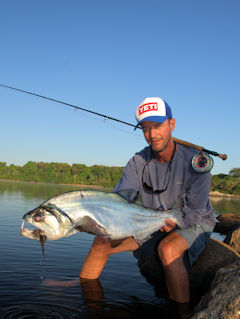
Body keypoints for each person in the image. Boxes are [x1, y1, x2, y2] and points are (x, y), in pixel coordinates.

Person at [80, 97, 216, 318]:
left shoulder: (197, 163)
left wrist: (171, 223)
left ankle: (181, 312)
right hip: (152, 222)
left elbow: (196, 213)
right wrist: (98, 218)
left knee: (168, 249)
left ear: (171, 124)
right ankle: (86, 299)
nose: (152, 135)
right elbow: (120, 201)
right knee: (101, 239)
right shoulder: (137, 161)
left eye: (158, 126)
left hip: (195, 222)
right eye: (145, 129)